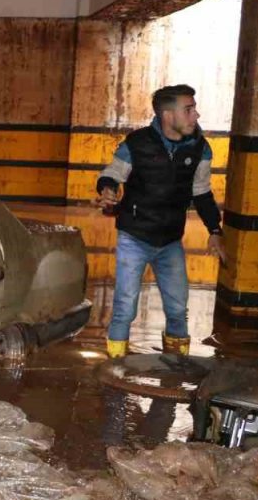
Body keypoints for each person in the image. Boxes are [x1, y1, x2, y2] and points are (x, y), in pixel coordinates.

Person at [94, 84, 225, 358]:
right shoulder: (137, 143)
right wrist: (107, 189)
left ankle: (177, 367)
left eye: (194, 108)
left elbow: (201, 192)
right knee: (125, 308)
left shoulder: (200, 148)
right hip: (134, 237)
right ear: (167, 115)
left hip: (170, 242)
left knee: (178, 309)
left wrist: (215, 230)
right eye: (188, 109)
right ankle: (115, 367)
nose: (196, 115)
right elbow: (113, 174)